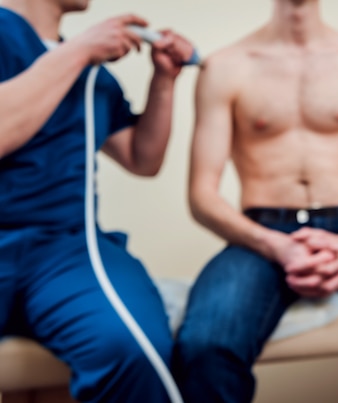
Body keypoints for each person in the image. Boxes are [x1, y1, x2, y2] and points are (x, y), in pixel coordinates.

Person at [173, 0, 338, 401]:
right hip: (263, 236)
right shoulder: (225, 66)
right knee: (204, 345)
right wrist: (277, 246)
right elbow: (202, 195)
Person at [0, 0, 195, 401]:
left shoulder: (92, 74)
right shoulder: (66, 52)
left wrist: (163, 79)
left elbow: (143, 157)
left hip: (65, 249)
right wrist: (79, 51)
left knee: (130, 350)